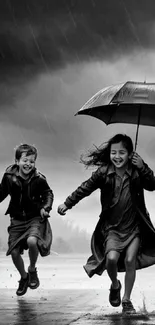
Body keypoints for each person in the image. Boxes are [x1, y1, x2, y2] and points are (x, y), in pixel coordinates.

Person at [58, 133, 155, 314]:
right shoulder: (104, 172)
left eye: (122, 153)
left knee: (129, 260)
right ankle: (115, 284)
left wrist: (143, 167)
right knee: (111, 259)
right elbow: (84, 188)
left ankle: (126, 300)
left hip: (134, 227)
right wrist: (67, 203)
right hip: (111, 228)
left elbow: (152, 184)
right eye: (113, 152)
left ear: (130, 154)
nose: (117, 157)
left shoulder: (136, 171)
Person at [0, 144, 54, 296]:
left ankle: (32, 269)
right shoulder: (9, 176)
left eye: (32, 161)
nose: (28, 164)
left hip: (35, 218)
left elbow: (48, 194)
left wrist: (46, 208)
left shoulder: (39, 179)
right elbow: (1, 193)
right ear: (17, 161)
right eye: (25, 160)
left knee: (32, 241)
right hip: (16, 219)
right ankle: (24, 277)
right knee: (14, 252)